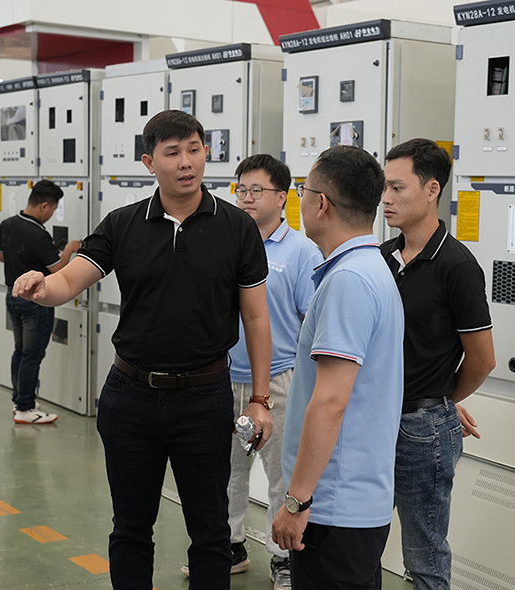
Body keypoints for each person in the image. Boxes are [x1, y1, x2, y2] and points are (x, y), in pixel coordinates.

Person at [12, 110, 273, 590]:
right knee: (131, 528)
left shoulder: (237, 227)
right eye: (172, 153)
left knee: (210, 531)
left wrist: (259, 399)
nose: (186, 162)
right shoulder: (123, 224)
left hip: (204, 398)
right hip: (130, 397)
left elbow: (256, 318)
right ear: (149, 162)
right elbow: (69, 280)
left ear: (206, 152)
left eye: (194, 149)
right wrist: (41, 287)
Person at [271, 146, 404, 589]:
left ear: (321, 203)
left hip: (332, 508)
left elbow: (330, 402)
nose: (301, 200)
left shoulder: (349, 281)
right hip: (355, 503)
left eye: (302, 191)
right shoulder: (370, 268)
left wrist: (297, 501)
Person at [380, 138, 496, 590]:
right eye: (384, 187)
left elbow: (482, 359)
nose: (386, 198)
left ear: (432, 190)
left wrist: (440, 401)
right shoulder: (383, 257)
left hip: (421, 429)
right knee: (362, 539)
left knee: (424, 554)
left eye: (397, 188)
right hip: (376, 416)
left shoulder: (456, 265)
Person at [202, 154, 321, 588]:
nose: (247, 198)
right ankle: (230, 546)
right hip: (222, 378)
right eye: (241, 190)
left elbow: (310, 324)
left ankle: (282, 558)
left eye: (257, 190)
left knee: (280, 476)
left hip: (278, 381)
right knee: (225, 472)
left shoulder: (302, 252)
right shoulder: (227, 243)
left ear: (283, 197)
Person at [0, 179, 80, 424]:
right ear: (44, 206)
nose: (52, 214)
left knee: (20, 351)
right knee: (32, 355)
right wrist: (70, 249)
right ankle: (25, 409)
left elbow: (2, 257)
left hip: (13, 295)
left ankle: (20, 400)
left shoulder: (7, 224)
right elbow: (57, 270)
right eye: (53, 209)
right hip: (35, 301)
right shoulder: (38, 234)